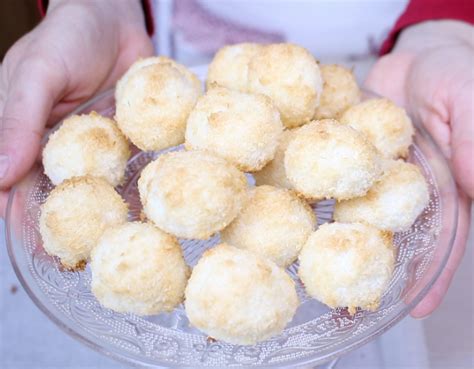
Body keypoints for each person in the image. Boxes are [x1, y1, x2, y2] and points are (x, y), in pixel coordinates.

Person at [0, 0, 472, 320]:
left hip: (385, 50)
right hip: (169, 52)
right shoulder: (203, 115)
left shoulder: (326, 125)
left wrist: (446, 25)